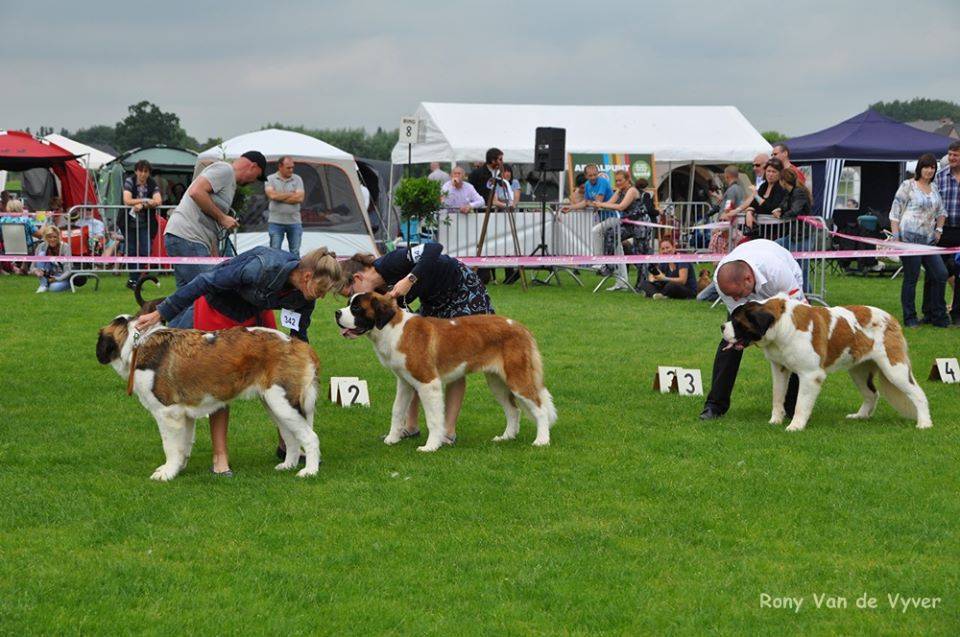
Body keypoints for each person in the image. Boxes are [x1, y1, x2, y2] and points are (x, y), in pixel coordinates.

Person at [135, 246, 342, 476]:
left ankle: (289, 448)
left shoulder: (305, 295)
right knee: (217, 382)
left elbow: (298, 335)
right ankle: (220, 457)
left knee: (274, 382)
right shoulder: (262, 265)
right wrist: (161, 312)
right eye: (322, 289)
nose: (322, 296)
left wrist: (298, 370)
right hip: (219, 308)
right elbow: (205, 281)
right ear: (307, 276)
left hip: (255, 312)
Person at [339, 243, 494, 444]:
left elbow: (434, 248)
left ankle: (447, 431)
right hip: (433, 300)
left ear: (358, 278)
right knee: (413, 363)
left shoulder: (390, 262)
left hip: (460, 290)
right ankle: (410, 426)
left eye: (350, 293)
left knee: (453, 359)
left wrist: (410, 279)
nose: (352, 299)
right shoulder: (376, 293)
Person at [699, 239, 805, 420]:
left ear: (748, 279)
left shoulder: (777, 271)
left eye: (737, 294)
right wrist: (744, 339)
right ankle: (714, 406)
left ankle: (792, 406)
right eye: (731, 295)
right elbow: (739, 320)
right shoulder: (723, 281)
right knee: (729, 343)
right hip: (753, 279)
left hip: (781, 287)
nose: (735, 298)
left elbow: (801, 312)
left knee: (795, 341)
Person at [164, 151, 267, 301]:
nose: (254, 181)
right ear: (253, 166)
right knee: (209, 295)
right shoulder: (225, 170)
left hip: (186, 238)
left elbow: (211, 223)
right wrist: (222, 218)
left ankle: (167, 317)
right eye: (258, 176)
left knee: (186, 300)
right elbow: (196, 192)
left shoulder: (229, 181)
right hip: (188, 237)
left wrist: (215, 255)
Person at [890, 153, 949, 328]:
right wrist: (896, 237)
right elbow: (895, 212)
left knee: (941, 274)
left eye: (932, 167)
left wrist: (939, 229)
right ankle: (910, 318)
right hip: (909, 238)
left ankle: (938, 315)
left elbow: (941, 212)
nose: (929, 170)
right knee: (912, 278)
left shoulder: (935, 188)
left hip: (928, 240)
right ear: (919, 168)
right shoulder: (908, 185)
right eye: (926, 167)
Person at [925, 140, 960, 323]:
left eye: (956, 155)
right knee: (934, 271)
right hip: (942, 231)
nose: (952, 158)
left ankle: (957, 313)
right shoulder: (939, 177)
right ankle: (930, 312)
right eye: (950, 154)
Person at [593, 169, 642, 290]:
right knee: (611, 234)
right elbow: (610, 203)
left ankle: (642, 285)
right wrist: (597, 204)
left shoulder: (632, 190)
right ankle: (609, 266)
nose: (618, 183)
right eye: (616, 181)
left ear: (627, 179)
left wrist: (601, 204)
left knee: (641, 254)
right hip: (627, 224)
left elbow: (621, 207)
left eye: (620, 180)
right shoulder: (620, 191)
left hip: (640, 225)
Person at [122, 160, 163, 289]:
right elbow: (127, 200)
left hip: (146, 223)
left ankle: (135, 278)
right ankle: (133, 280)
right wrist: (145, 200)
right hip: (128, 222)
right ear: (136, 171)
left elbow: (158, 200)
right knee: (132, 251)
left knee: (146, 251)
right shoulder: (129, 181)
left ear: (149, 173)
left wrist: (143, 205)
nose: (143, 174)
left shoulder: (152, 183)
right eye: (140, 171)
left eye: (146, 171)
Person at [772, 168, 814, 291]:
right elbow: (784, 205)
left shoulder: (799, 192)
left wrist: (781, 215)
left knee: (801, 269)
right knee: (774, 246)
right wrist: (779, 209)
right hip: (793, 235)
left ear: (783, 181)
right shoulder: (789, 193)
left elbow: (795, 211)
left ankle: (807, 295)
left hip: (803, 235)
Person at [265, 156, 305, 257]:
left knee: (295, 252)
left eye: (292, 167)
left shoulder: (297, 179)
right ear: (280, 166)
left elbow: (300, 198)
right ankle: (275, 267)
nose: (291, 170)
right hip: (275, 222)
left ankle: (294, 267)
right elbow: (272, 195)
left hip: (294, 222)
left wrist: (279, 196)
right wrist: (291, 194)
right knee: (274, 251)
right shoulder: (270, 179)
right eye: (288, 168)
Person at [743, 158, 786, 234]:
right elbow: (754, 204)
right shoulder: (763, 186)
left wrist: (756, 196)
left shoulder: (781, 188)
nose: (770, 174)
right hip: (759, 230)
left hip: (775, 231)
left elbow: (771, 208)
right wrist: (749, 212)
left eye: (774, 172)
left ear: (780, 173)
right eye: (768, 171)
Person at [29, 225, 73, 293]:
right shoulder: (41, 246)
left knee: (53, 288)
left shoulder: (65, 247)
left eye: (55, 237)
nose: (52, 239)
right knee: (41, 254)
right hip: (48, 274)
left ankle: (66, 284)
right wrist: (36, 271)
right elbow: (32, 267)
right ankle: (43, 285)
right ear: (45, 238)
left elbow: (68, 270)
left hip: (62, 276)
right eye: (49, 237)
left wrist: (57, 279)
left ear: (58, 237)